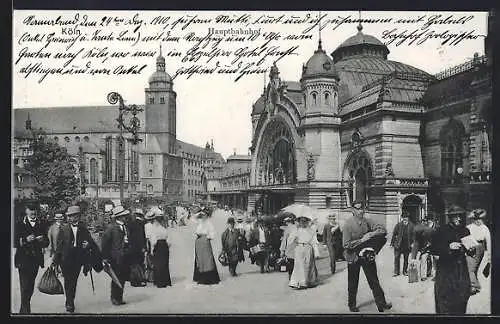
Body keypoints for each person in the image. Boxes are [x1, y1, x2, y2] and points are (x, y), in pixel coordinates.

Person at [343, 200, 392, 313]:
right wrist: (362, 240)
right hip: (353, 256)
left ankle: (382, 303)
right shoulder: (348, 225)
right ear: (352, 210)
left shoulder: (367, 221)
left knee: (374, 280)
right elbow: (346, 245)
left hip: (366, 254)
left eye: (361, 208)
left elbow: (382, 230)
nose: (360, 211)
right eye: (357, 208)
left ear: (364, 209)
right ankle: (352, 305)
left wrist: (370, 234)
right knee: (353, 282)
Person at [52, 205, 102, 313]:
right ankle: (69, 302)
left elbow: (90, 242)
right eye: (68, 216)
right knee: (67, 280)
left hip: (78, 259)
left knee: (73, 281)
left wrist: (87, 244)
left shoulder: (83, 228)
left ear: (77, 216)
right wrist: (55, 261)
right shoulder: (63, 229)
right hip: (66, 259)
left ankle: (71, 300)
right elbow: (59, 246)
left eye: (71, 216)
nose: (69, 218)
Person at [431, 204, 474, 314]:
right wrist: (448, 247)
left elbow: (470, 251)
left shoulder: (465, 231)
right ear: (450, 217)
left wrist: (471, 250)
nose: (459, 218)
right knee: (445, 297)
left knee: (462, 296)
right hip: (446, 269)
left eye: (460, 216)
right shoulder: (441, 231)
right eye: (455, 216)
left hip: (461, 269)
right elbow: (434, 249)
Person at [14, 202, 49, 314]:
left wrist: (42, 240)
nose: (33, 212)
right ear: (26, 210)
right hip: (23, 260)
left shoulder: (41, 223)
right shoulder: (19, 224)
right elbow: (14, 241)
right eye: (30, 209)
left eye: (35, 210)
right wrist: (25, 240)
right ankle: (25, 311)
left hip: (35, 260)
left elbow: (47, 242)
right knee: (24, 286)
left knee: (30, 286)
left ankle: (23, 309)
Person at [101, 206, 133, 306]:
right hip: (115, 257)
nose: (125, 217)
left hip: (125, 256)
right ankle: (114, 297)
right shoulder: (111, 228)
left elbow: (128, 239)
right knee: (116, 277)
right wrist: (105, 257)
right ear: (119, 217)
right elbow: (105, 243)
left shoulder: (125, 227)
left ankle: (119, 297)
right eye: (123, 216)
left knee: (122, 277)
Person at [289, 215, 319, 289]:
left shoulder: (311, 230)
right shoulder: (296, 230)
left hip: (308, 248)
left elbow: (314, 241)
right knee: (299, 265)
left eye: (305, 221)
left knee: (309, 265)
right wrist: (294, 237)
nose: (303, 223)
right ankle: (297, 282)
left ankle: (309, 281)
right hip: (299, 247)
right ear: (299, 222)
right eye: (301, 221)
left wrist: (316, 252)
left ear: (307, 222)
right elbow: (290, 240)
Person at [466, 209, 491, 295]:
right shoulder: (469, 227)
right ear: (473, 219)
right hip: (471, 246)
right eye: (477, 219)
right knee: (472, 267)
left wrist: (489, 257)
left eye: (480, 219)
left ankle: (474, 286)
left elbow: (488, 241)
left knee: (471, 268)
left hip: (479, 247)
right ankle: (474, 285)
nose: (478, 221)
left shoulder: (485, 228)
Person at [145, 208, 172, 287]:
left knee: (158, 264)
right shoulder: (164, 228)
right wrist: (167, 246)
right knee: (164, 263)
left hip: (158, 246)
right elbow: (169, 240)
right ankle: (166, 280)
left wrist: (152, 250)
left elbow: (153, 240)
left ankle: (159, 281)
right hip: (164, 246)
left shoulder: (154, 228)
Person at [193, 207, 220, 285]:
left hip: (205, 241)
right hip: (198, 242)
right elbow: (193, 218)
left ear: (207, 215)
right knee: (200, 260)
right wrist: (199, 212)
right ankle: (200, 277)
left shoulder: (209, 223)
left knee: (207, 260)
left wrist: (207, 237)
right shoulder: (200, 221)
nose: (203, 216)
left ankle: (208, 278)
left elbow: (212, 233)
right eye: (202, 215)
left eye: (205, 215)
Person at [127, 208, 147, 287]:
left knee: (133, 263)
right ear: (141, 215)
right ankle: (141, 279)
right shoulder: (143, 223)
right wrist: (144, 246)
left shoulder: (131, 223)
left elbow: (128, 234)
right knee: (140, 263)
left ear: (135, 215)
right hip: (140, 246)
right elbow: (143, 236)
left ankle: (134, 280)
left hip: (132, 245)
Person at [391, 211, 415, 276]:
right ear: (402, 218)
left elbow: (414, 235)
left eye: (406, 218)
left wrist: (413, 243)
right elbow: (394, 234)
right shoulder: (398, 225)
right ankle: (396, 272)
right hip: (398, 244)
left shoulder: (412, 225)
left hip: (407, 245)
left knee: (406, 259)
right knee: (396, 258)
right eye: (404, 218)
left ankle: (405, 271)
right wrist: (392, 244)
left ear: (408, 218)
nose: (405, 219)